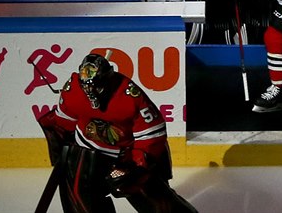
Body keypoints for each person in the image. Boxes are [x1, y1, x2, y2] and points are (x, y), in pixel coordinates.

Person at [37, 53, 197, 213]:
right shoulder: (72, 90)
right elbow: (64, 123)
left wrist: (137, 167)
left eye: (97, 87)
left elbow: (152, 135)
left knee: (155, 201)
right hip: (86, 151)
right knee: (82, 201)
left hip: (127, 155)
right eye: (86, 87)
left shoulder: (130, 95)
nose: (91, 92)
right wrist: (65, 151)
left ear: (108, 80)